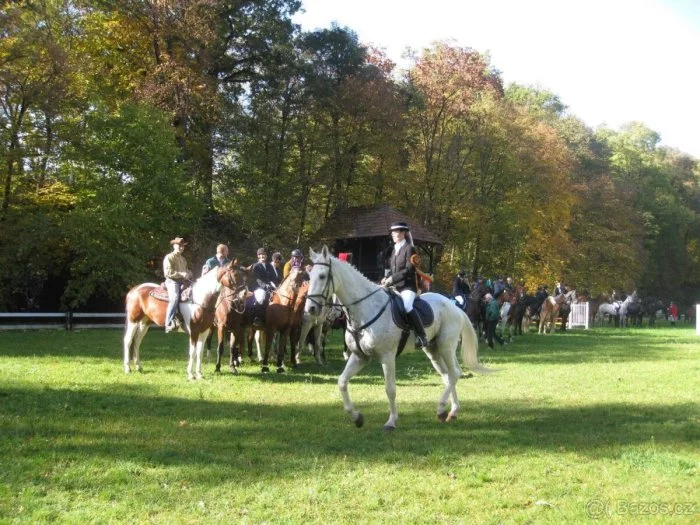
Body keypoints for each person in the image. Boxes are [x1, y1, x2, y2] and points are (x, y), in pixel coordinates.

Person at [380, 222, 428, 349]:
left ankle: (422, 336)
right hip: (395, 286)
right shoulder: (394, 249)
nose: (393, 234)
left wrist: (392, 279)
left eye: (395, 232)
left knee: (407, 306)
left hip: (407, 287)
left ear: (403, 233)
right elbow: (393, 269)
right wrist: (386, 277)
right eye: (392, 232)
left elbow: (409, 270)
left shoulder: (409, 248)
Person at [163, 237, 192, 333]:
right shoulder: (169, 257)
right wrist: (182, 274)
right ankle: (168, 323)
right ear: (174, 246)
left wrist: (189, 273)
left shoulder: (183, 259)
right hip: (172, 281)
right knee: (175, 298)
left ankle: (187, 321)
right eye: (179, 245)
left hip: (183, 282)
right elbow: (167, 272)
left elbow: (186, 270)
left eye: (183, 246)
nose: (181, 248)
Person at [251, 248, 274, 324]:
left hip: (270, 287)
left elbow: (273, 277)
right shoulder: (256, 266)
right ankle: (256, 317)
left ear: (266, 256)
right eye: (261, 254)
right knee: (261, 297)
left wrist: (276, 285)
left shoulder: (269, 265)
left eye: (264, 254)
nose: (263, 256)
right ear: (258, 256)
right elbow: (257, 279)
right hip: (259, 287)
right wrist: (265, 286)